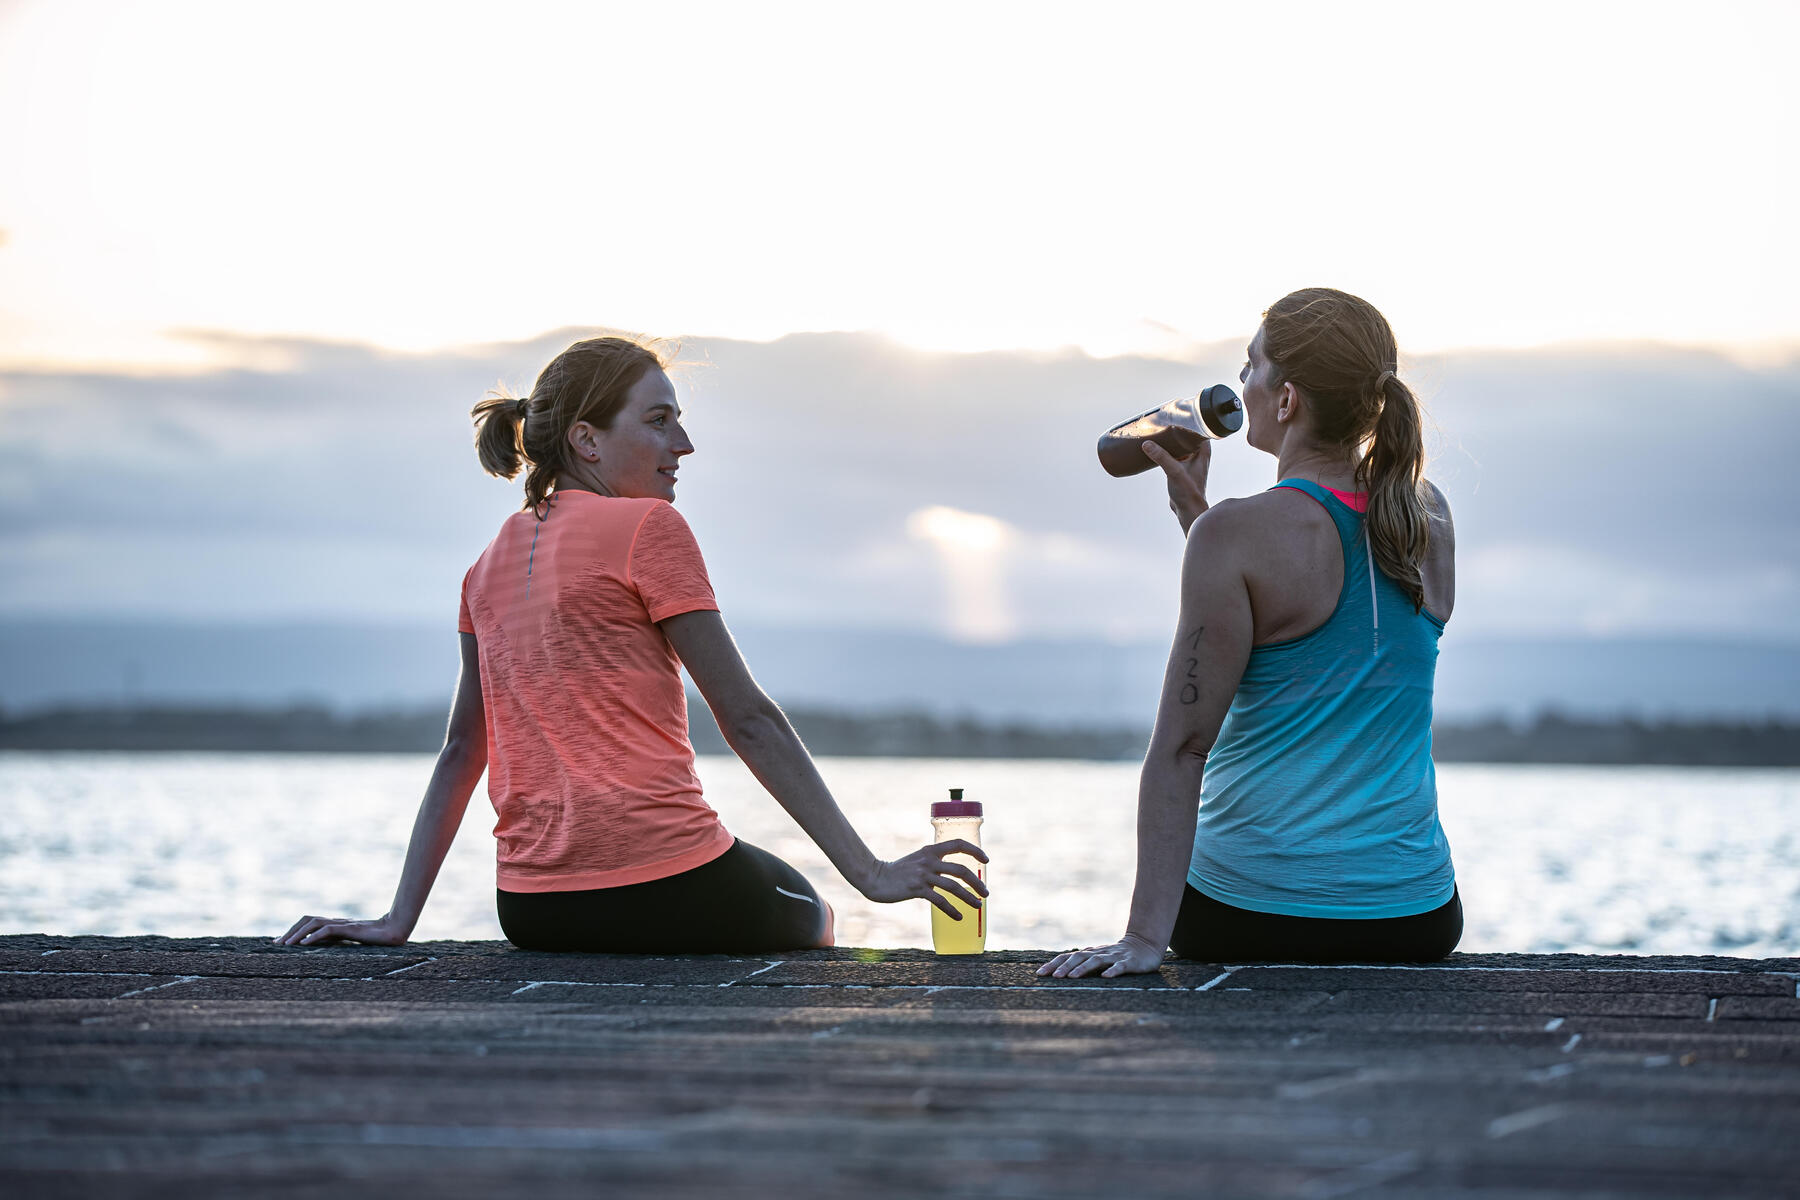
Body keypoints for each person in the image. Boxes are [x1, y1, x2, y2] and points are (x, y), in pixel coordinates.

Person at [279, 336, 986, 953]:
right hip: (669, 884)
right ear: (588, 440)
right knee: (819, 919)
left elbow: (463, 750)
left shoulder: (483, 565)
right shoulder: (649, 527)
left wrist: (398, 918)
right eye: (658, 421)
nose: (682, 444)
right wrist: (872, 873)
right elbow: (747, 717)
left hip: (532, 910)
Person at [1041, 288, 1460, 977]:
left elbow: (1183, 748)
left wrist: (1146, 939)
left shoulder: (1235, 536)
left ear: (1286, 398)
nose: (1240, 385)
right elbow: (1345, 651)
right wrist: (1201, 526)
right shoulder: (1428, 515)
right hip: (1414, 917)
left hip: (1244, 914)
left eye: (1250, 366)